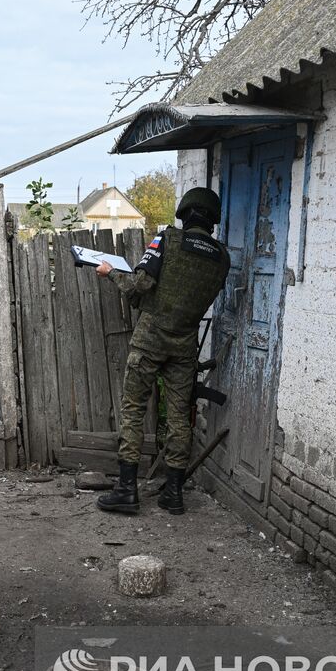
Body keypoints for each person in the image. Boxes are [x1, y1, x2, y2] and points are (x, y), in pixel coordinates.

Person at [94, 186, 230, 515]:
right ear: (212, 219)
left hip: (150, 339)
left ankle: (127, 491)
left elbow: (139, 286)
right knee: (180, 417)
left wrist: (111, 273)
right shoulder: (222, 257)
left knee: (134, 411)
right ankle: (174, 494)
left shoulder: (168, 240)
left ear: (185, 212)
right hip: (184, 344)